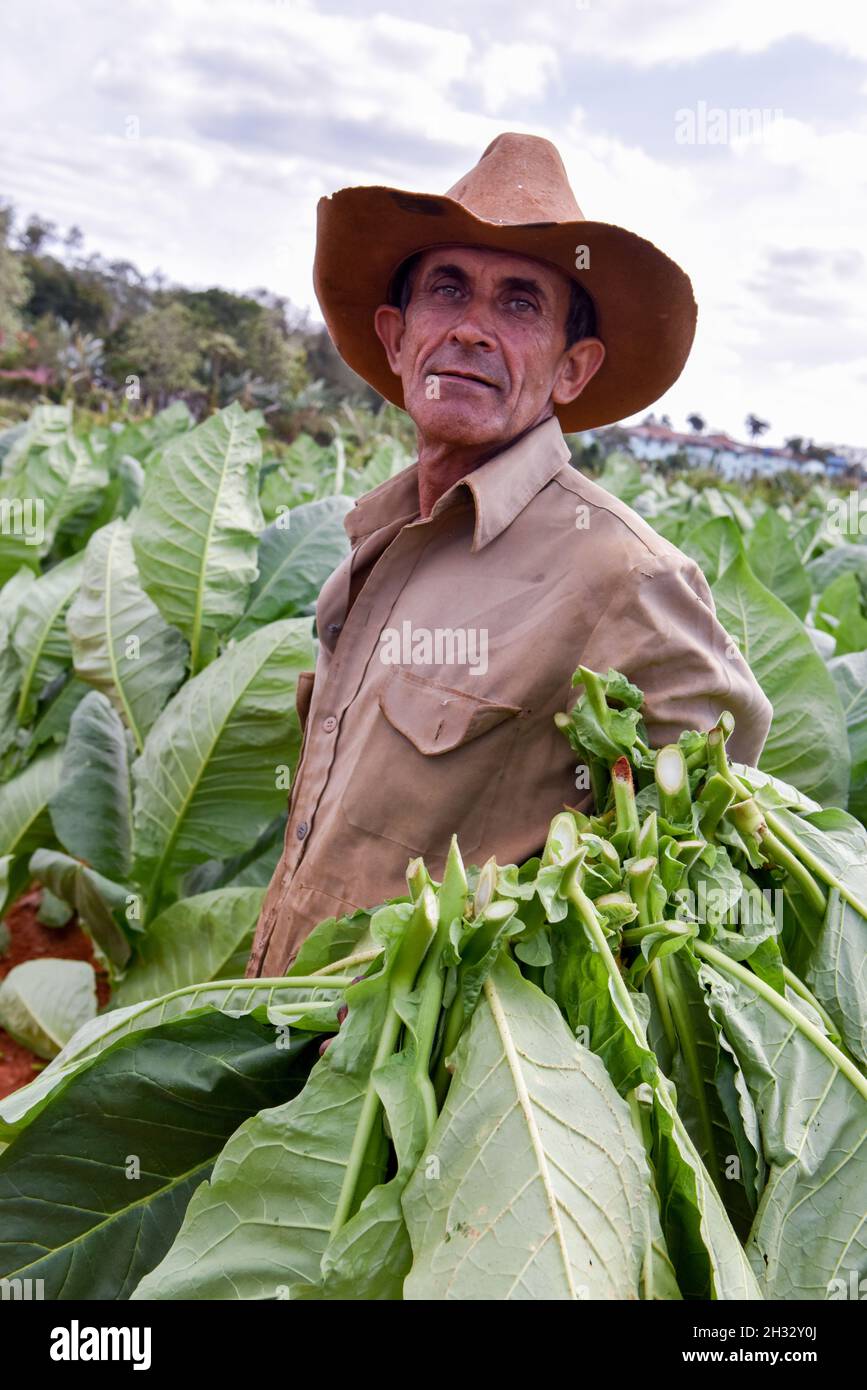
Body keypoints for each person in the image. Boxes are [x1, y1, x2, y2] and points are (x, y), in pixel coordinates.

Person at [246, 132, 772, 977]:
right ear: (395, 336)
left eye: (519, 303)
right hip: (285, 1041)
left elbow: (703, 838)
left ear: (573, 369)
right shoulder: (376, 540)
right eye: (447, 290)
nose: (472, 330)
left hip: (422, 1085)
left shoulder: (620, 575)